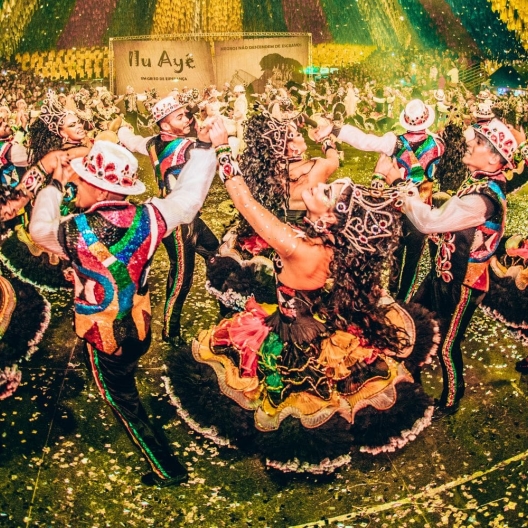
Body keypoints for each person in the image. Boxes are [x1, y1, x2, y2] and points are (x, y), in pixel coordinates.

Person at [166, 120, 439, 470]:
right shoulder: (332, 242)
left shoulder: (297, 246)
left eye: (325, 192)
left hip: (292, 332)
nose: (316, 187)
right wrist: (384, 178)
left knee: (284, 393)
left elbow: (244, 200)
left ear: (329, 217)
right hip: (316, 321)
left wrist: (221, 148)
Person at [28, 129, 221, 487]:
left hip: (104, 340)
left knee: (122, 403)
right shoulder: (151, 217)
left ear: (101, 189)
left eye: (82, 180)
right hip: (140, 328)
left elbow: (39, 229)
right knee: (125, 385)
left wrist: (54, 187)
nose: (77, 186)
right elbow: (189, 198)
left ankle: (167, 468)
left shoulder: (74, 230)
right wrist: (207, 150)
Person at [380, 118, 517, 419]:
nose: (470, 143)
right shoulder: (478, 181)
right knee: (413, 321)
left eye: (479, 143)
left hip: (464, 284)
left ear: (494, 158)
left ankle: (451, 399)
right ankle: (411, 381)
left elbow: (431, 222)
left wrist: (403, 190)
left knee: (447, 346)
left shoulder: (483, 198)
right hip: (444, 274)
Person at [313, 99, 445, 302]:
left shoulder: (395, 142)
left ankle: (390, 295)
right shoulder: (438, 144)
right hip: (422, 207)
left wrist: (335, 129)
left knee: (395, 253)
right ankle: (404, 299)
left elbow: (365, 141)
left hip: (398, 205)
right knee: (413, 260)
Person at [207, 109, 339, 310]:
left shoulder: (266, 172)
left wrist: (222, 149)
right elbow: (334, 160)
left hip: (266, 232)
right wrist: (326, 140)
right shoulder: (317, 168)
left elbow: (243, 198)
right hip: (299, 241)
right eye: (296, 134)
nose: (302, 135)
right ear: (292, 148)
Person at [118, 94, 220, 345]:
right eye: (180, 116)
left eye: (186, 114)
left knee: (217, 255)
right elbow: (219, 148)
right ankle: (170, 331)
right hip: (176, 223)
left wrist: (121, 129)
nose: (187, 119)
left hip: (187, 218)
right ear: (165, 125)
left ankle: (227, 302)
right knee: (182, 278)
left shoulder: (153, 143)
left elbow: (133, 142)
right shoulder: (188, 147)